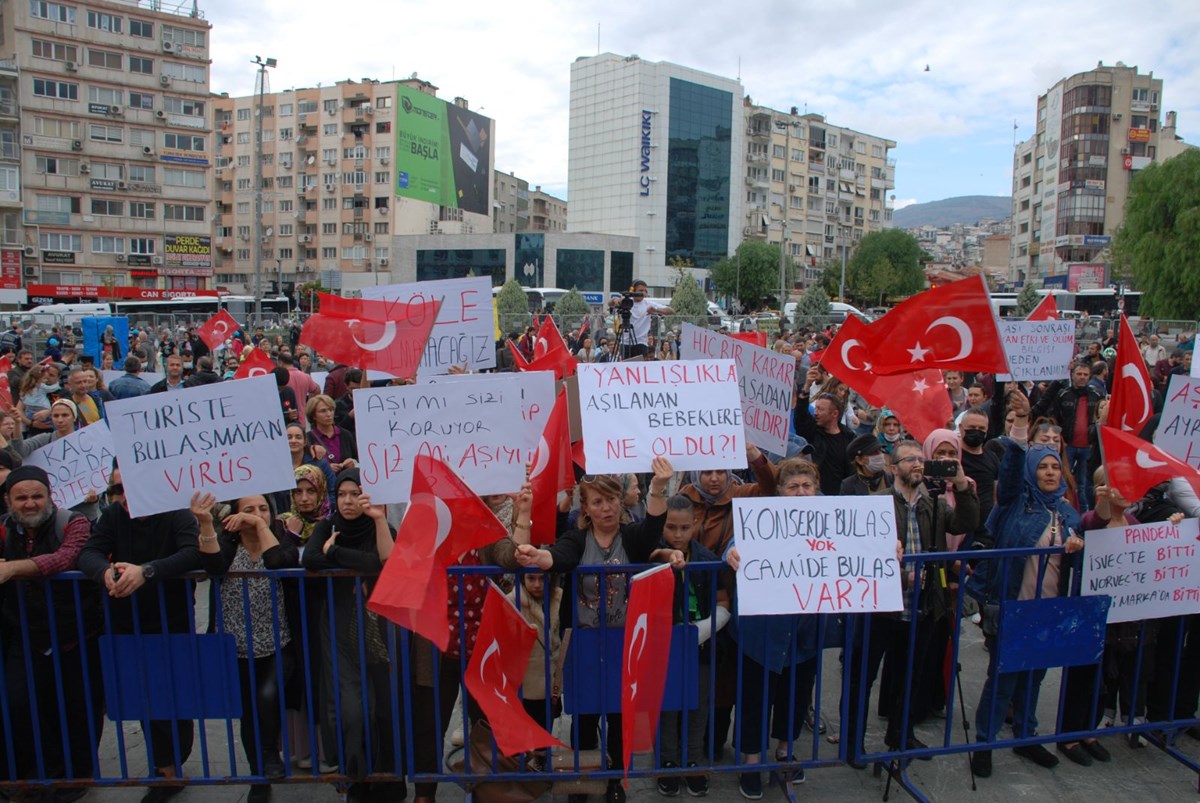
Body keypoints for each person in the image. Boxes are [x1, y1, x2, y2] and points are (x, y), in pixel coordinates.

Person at [515, 459, 674, 803]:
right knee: (585, 717)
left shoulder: (630, 538)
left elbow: (652, 528)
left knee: (618, 716)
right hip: (584, 642)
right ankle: (584, 780)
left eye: (611, 500)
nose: (606, 508)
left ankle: (615, 781)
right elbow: (561, 555)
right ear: (585, 508)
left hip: (622, 642)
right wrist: (541, 559)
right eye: (597, 502)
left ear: (620, 501)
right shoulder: (578, 538)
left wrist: (658, 488)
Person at [842, 440, 978, 767]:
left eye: (921, 459)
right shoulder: (876, 504)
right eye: (909, 459)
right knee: (864, 677)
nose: (917, 464)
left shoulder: (934, 505)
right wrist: (900, 575)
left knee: (909, 674)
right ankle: (852, 743)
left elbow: (966, 523)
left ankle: (900, 735)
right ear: (893, 467)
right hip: (881, 609)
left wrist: (960, 482)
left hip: (922, 607)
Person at [77, 465, 204, 802]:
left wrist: (147, 571)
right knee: (144, 697)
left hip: (171, 620)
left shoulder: (176, 513)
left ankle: (171, 763)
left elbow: (191, 552)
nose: (122, 498)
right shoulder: (112, 517)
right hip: (124, 621)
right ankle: (164, 768)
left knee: (173, 697)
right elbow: (88, 551)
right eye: (116, 490)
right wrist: (103, 571)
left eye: (128, 489)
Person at [966, 443, 1084, 778]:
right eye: (1043, 467)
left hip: (1049, 610)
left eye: (1055, 468)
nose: (1049, 473)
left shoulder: (1068, 513)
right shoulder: (1017, 503)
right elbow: (1010, 474)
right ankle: (984, 743)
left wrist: (1076, 546)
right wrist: (1018, 437)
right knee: (1003, 679)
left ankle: (1025, 736)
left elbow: (1083, 551)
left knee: (1035, 677)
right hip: (1014, 607)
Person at [723, 459, 827, 796]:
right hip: (761, 630)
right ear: (779, 490)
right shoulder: (762, 518)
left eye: (806, 486)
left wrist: (889, 550)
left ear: (816, 489)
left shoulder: (833, 521)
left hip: (805, 629)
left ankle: (784, 752)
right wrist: (731, 553)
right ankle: (752, 761)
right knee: (754, 696)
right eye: (793, 486)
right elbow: (735, 544)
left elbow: (864, 546)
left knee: (796, 695)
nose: (800, 493)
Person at [0, 465, 105, 795]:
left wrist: (14, 568)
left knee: (78, 707)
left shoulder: (73, 522)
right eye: (21, 498)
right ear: (8, 501)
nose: (29, 504)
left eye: (36, 496)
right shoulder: (4, 530)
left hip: (76, 634)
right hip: (25, 635)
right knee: (21, 704)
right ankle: (36, 775)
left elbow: (67, 557)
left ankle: (79, 776)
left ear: (49, 497)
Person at [301, 470, 402, 801]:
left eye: (354, 493)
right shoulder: (326, 527)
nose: (347, 501)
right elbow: (311, 558)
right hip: (340, 627)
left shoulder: (380, 527)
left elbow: (379, 563)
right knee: (350, 708)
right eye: (341, 494)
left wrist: (335, 554)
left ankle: (388, 780)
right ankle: (356, 776)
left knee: (384, 707)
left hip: (380, 627)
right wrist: (331, 554)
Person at [196, 492, 298, 803]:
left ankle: (269, 755)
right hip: (236, 648)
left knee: (267, 697)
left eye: (264, 508)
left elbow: (278, 561)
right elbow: (212, 567)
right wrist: (205, 522)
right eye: (249, 509)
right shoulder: (228, 547)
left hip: (279, 643)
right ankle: (259, 776)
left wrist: (258, 523)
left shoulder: (283, 540)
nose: (258, 514)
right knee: (249, 714)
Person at [652, 494, 730, 797]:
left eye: (685, 528)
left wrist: (704, 630)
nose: (678, 535)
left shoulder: (708, 560)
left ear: (695, 524)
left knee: (699, 707)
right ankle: (667, 762)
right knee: (667, 707)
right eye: (671, 527)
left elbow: (724, 601)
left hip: (702, 647)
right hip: (664, 648)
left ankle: (693, 761)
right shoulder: (652, 557)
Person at [1033, 361, 1102, 511]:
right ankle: (1062, 509)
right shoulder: (1064, 394)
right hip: (1068, 444)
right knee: (1063, 480)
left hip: (1088, 446)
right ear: (1072, 375)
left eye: (1085, 375)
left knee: (1083, 484)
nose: (1082, 377)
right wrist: (1059, 439)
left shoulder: (1096, 395)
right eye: (1079, 374)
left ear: (1089, 376)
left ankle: (1083, 515)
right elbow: (1053, 416)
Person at [794, 369, 855, 495]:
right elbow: (801, 418)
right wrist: (806, 387)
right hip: (817, 496)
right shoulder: (813, 432)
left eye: (820, 410)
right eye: (816, 408)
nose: (815, 413)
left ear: (834, 414)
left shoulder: (849, 438)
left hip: (841, 497)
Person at [608, 279, 672, 359]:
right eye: (640, 290)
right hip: (625, 342)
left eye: (645, 291)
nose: (643, 293)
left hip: (641, 343)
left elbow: (671, 311)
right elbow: (610, 304)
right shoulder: (625, 302)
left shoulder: (648, 304)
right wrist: (614, 300)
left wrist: (656, 310)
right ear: (633, 290)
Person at [306, 395, 357, 474]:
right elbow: (305, 467)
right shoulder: (308, 438)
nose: (329, 414)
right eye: (323, 411)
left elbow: (358, 459)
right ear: (313, 416)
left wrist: (353, 462)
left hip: (345, 481)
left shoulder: (345, 434)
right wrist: (325, 468)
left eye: (331, 410)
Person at [15, 363, 61, 435]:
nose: (48, 378)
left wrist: (49, 412)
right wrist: (32, 423)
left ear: (58, 377)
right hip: (34, 431)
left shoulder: (62, 392)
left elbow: (66, 408)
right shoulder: (34, 388)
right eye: (46, 375)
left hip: (54, 432)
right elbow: (19, 410)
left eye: (51, 375)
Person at [281, 354, 320, 427]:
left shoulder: (282, 378)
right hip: (302, 417)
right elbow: (317, 390)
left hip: (286, 418)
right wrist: (308, 404)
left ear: (281, 363)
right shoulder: (305, 376)